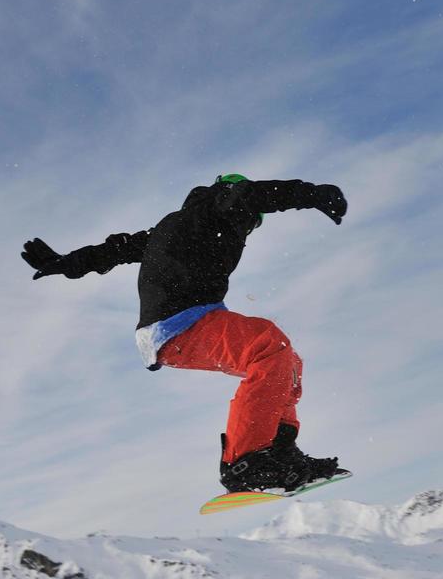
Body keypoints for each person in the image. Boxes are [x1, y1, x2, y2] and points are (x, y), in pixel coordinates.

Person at [23, 175, 349, 494]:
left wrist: (66, 263)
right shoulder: (221, 206)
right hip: (179, 324)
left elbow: (116, 250)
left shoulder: (175, 226)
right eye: (252, 223)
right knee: (267, 344)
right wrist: (313, 194)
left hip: (183, 325)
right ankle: (246, 462)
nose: (248, 230)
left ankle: (279, 452)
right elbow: (252, 194)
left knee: (285, 359)